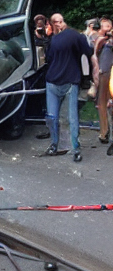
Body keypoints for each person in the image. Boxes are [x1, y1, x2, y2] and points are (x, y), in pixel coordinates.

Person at [43, 13, 92, 162]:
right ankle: (75, 149)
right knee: (72, 117)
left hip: (52, 80)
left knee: (52, 117)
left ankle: (54, 145)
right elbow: (88, 52)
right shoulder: (76, 36)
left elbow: (48, 59)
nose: (59, 23)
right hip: (70, 80)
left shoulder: (52, 41)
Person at [90, 17, 113, 145]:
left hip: (109, 73)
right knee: (102, 104)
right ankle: (104, 131)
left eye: (106, 26)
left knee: (105, 104)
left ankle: (106, 132)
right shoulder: (101, 40)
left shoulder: (108, 41)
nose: (103, 29)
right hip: (104, 73)